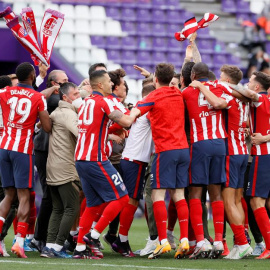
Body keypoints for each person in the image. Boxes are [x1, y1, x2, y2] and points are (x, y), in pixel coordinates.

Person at [72, 70, 139, 259]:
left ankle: (79, 249)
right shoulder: (104, 101)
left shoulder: (86, 102)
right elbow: (126, 121)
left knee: (93, 204)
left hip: (81, 158)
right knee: (122, 198)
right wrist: (136, 109)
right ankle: (92, 237)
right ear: (100, 85)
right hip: (95, 158)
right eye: (109, 81)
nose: (112, 84)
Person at [134, 63, 190, 259]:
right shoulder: (178, 93)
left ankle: (163, 242)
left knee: (157, 195)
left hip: (165, 150)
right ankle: (184, 239)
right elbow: (167, 83)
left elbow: (132, 115)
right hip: (184, 150)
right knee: (179, 195)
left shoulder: (152, 96)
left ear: (155, 79)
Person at [0, 62, 51, 258]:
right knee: (23, 196)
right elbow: (46, 127)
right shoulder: (38, 97)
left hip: (4, 147)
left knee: (8, 195)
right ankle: (19, 241)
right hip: (22, 150)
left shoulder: (5, 91)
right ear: (32, 76)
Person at [182, 62, 232, 259]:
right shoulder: (220, 87)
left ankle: (201, 241)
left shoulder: (187, 92)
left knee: (195, 193)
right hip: (220, 143)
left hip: (199, 145)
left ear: (193, 74)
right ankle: (219, 240)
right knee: (216, 193)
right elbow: (223, 104)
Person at [111, 84, 155, 257]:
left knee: (130, 199)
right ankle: (121, 240)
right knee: (131, 200)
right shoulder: (146, 111)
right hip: (135, 160)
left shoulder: (138, 109)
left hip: (132, 158)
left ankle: (116, 237)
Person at [40, 82, 82, 259]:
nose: (78, 98)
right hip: (66, 168)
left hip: (53, 167)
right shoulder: (68, 114)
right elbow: (81, 134)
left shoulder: (57, 112)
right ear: (65, 98)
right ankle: (57, 247)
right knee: (72, 208)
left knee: (57, 209)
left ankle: (49, 246)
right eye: (75, 95)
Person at [232, 71, 270, 259]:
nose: (246, 84)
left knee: (256, 201)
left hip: (263, 156)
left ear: (256, 87)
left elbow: (249, 94)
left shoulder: (259, 99)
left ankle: (269, 247)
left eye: (250, 82)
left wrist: (225, 84)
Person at [217, 65, 253, 259]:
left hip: (230, 152)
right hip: (242, 152)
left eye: (222, 77)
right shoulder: (244, 101)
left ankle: (241, 242)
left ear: (229, 81)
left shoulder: (229, 99)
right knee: (237, 201)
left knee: (227, 201)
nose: (219, 79)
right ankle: (243, 243)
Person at [30, 69, 68, 253]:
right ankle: (39, 237)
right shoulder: (52, 98)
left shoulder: (51, 98)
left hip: (50, 149)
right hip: (45, 149)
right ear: (54, 84)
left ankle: (43, 237)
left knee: (53, 194)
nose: (66, 85)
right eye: (63, 82)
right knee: (49, 194)